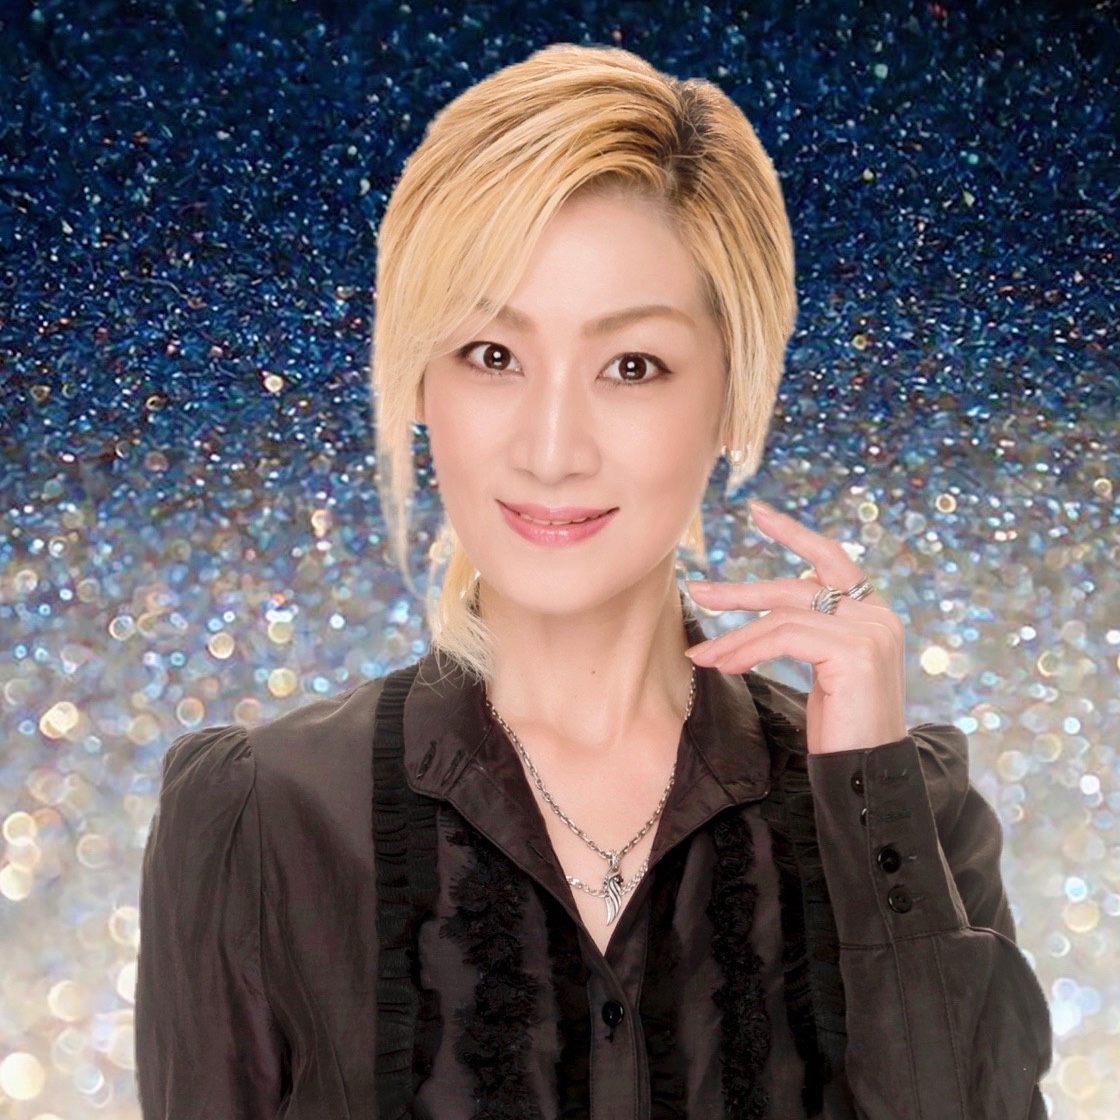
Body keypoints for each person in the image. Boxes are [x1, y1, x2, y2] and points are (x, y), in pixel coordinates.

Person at [134, 42, 1053, 1119]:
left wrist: (866, 794)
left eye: (631, 366)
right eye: (492, 355)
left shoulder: (906, 814)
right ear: (421, 379)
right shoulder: (259, 817)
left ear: (731, 396)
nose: (552, 448)